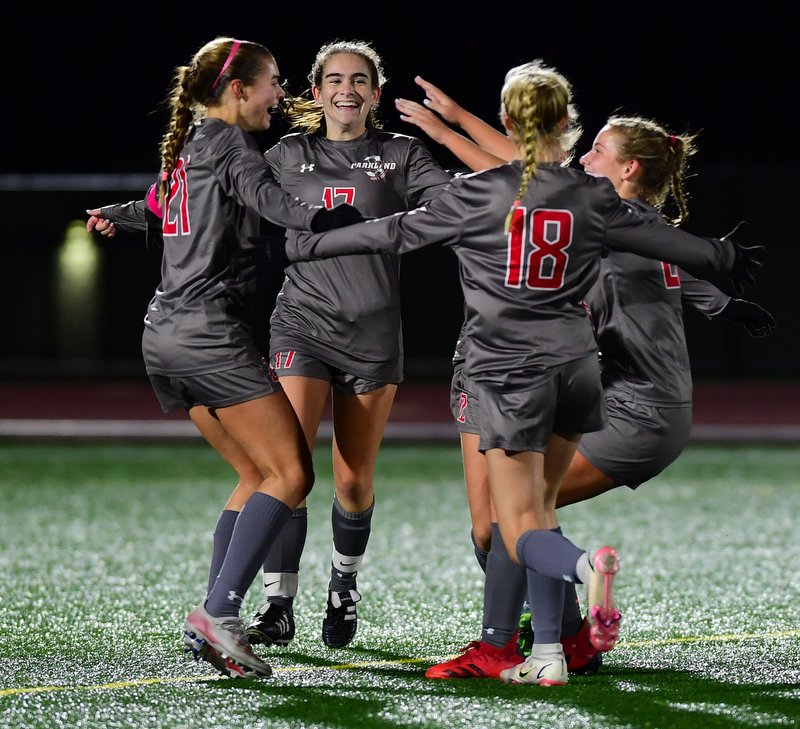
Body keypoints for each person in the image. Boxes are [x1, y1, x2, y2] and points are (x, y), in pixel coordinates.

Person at [281, 60, 763, 686]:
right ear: (566, 124)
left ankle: (556, 595)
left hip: (510, 372)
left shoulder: (485, 194)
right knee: (526, 514)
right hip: (579, 374)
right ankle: (554, 648)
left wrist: (299, 245)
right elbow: (673, 245)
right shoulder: (591, 199)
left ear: (510, 122)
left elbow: (394, 232)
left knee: (515, 524)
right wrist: (722, 261)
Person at [86, 37, 361, 679]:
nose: (278, 95)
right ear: (238, 89)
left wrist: (121, 216)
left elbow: (159, 207)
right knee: (292, 475)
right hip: (207, 335)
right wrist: (327, 215)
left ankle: (213, 622)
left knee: (255, 474)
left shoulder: (189, 146)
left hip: (164, 336)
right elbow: (273, 205)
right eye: (271, 83)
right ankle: (220, 614)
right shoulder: (232, 144)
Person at [243, 40, 452, 651]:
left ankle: (343, 586)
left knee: (353, 480)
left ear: (375, 93)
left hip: (372, 332)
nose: (347, 89)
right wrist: (134, 215)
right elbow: (215, 197)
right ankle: (278, 601)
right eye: (335, 79)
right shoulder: (286, 154)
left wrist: (397, 231)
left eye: (360, 80)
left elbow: (448, 206)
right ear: (316, 91)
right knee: (289, 467)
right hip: (300, 324)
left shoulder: (401, 154)